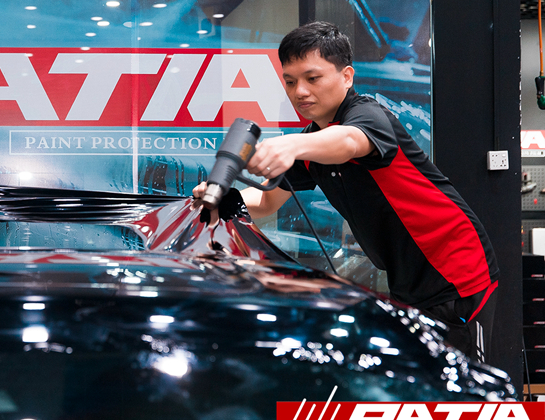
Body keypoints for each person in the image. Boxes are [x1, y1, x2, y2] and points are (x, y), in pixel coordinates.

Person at [193, 22, 498, 362]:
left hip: (457, 270)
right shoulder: (311, 143)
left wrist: (291, 145)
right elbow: (266, 200)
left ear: (347, 76)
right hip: (407, 279)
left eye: (313, 78)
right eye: (290, 81)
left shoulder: (368, 116)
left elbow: (350, 141)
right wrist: (227, 200)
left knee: (461, 385)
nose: (300, 92)